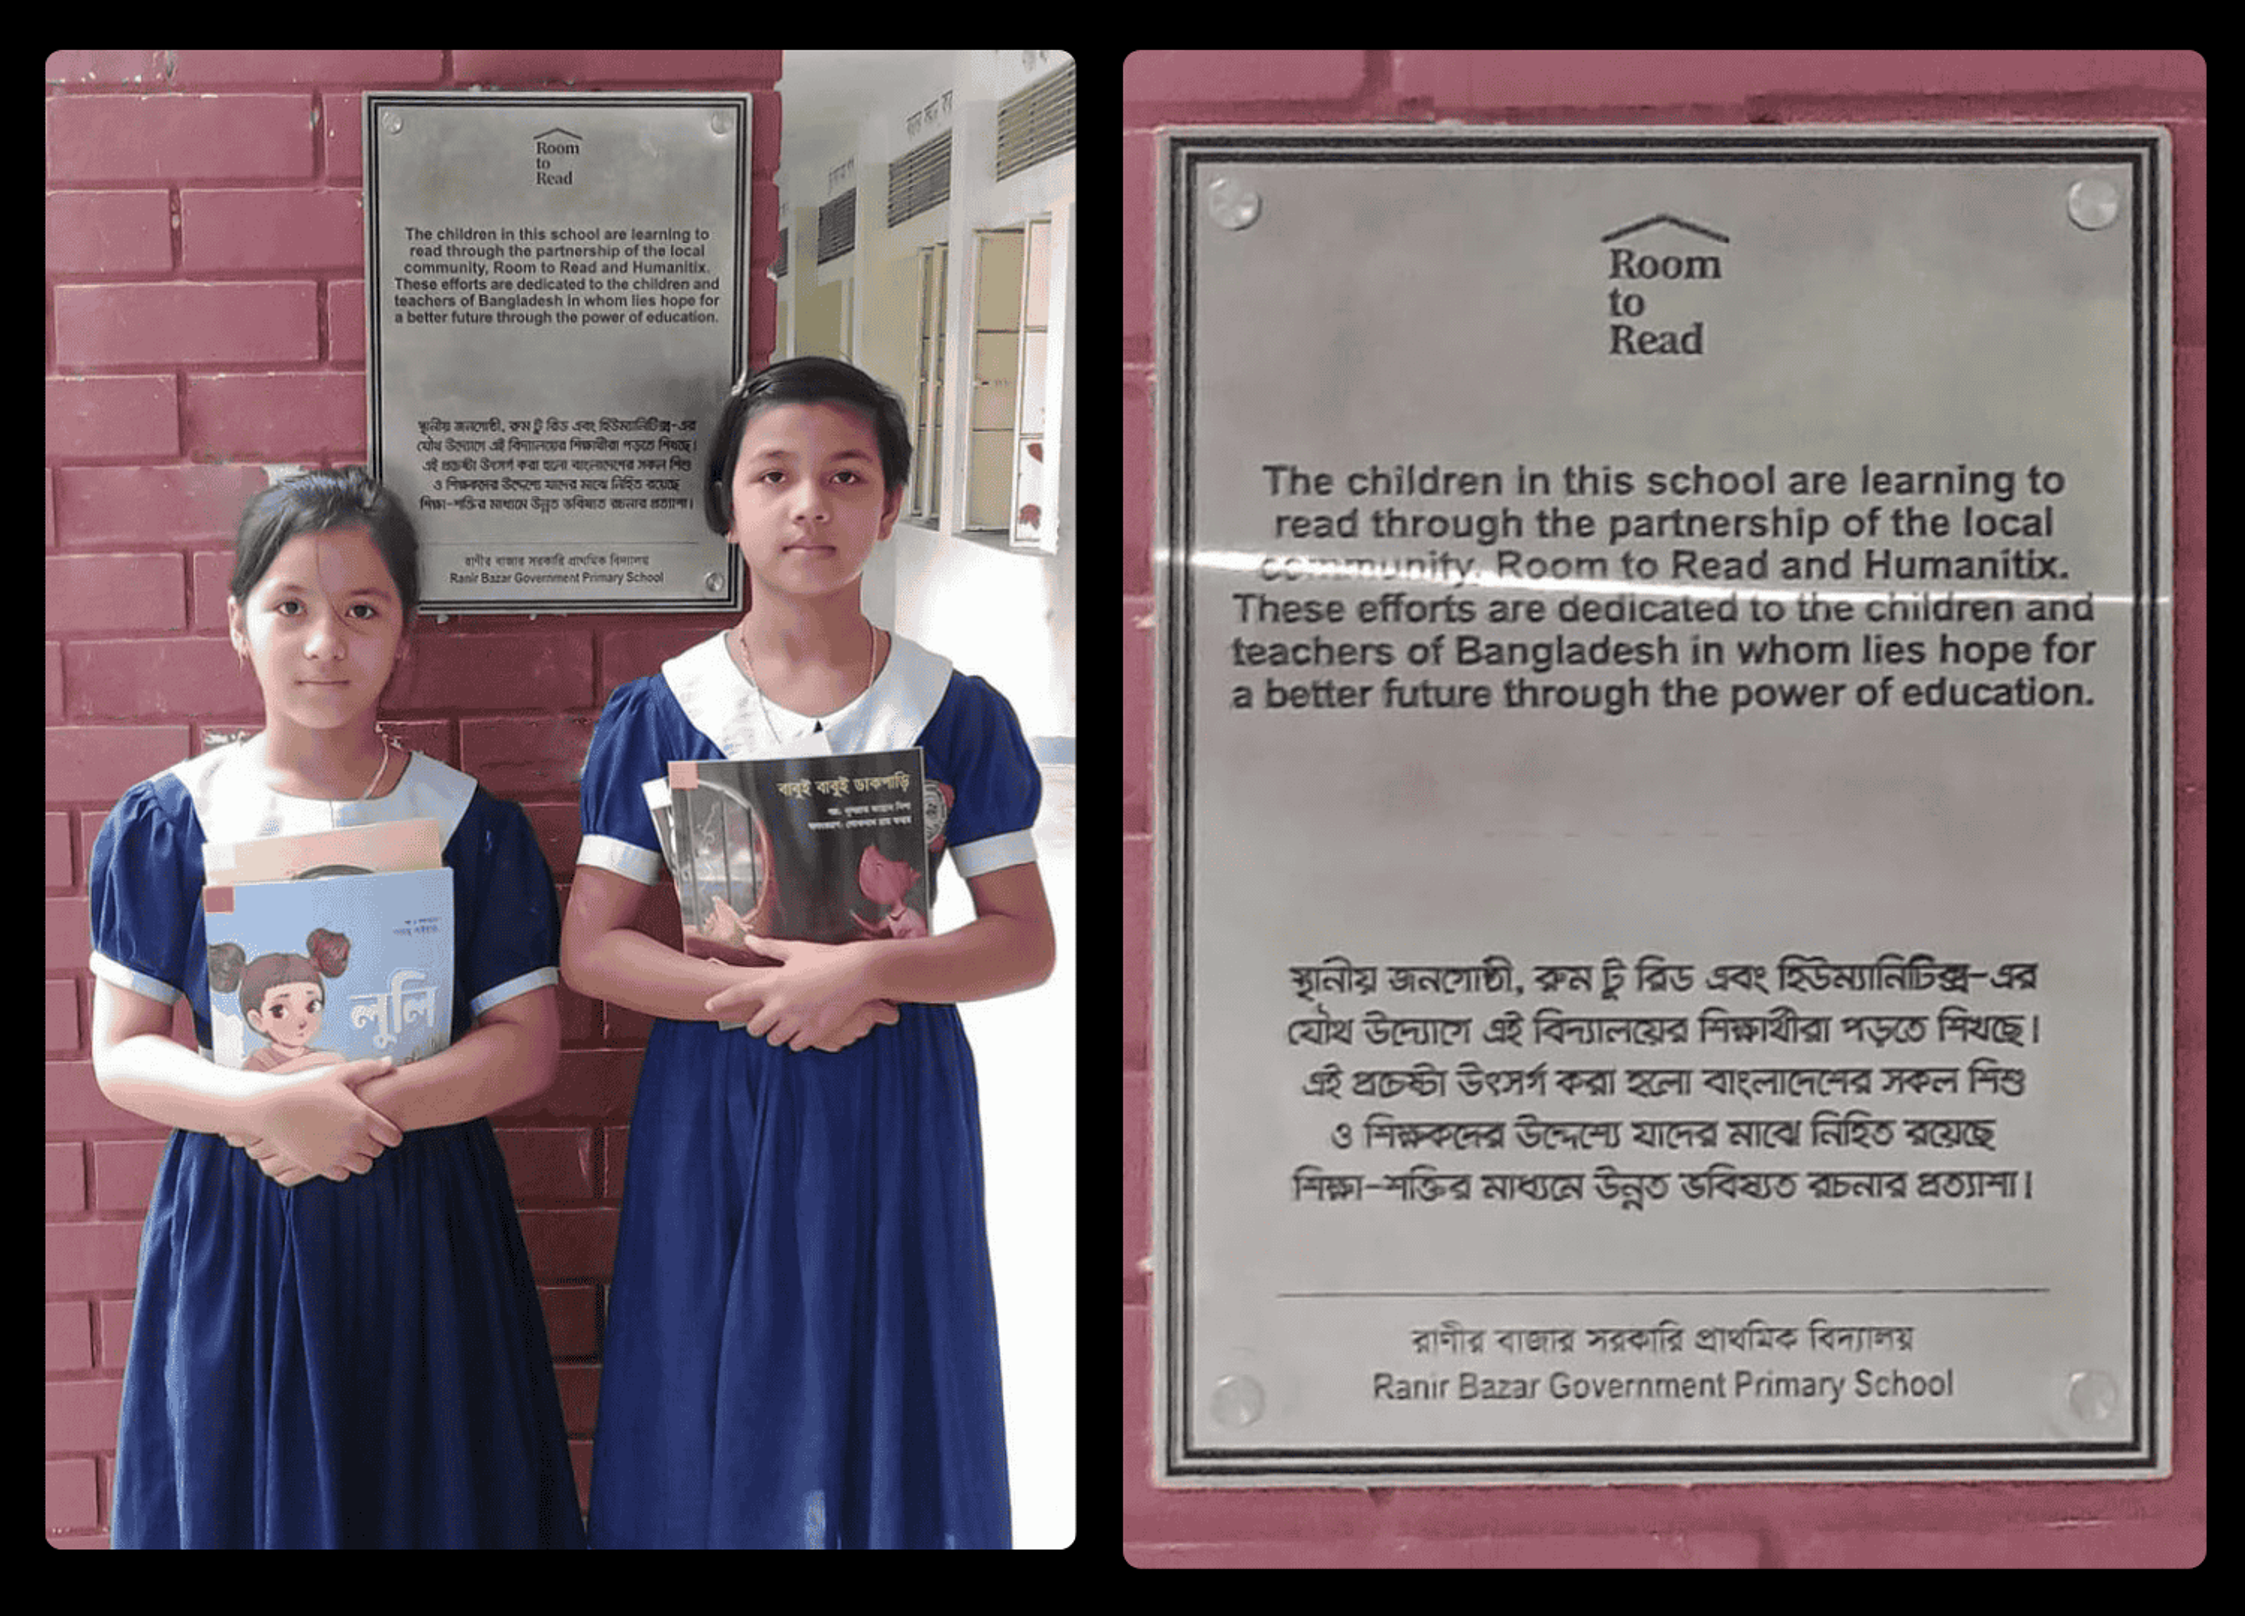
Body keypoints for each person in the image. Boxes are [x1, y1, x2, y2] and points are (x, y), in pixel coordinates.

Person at [565, 357, 1053, 1549]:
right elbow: (591, 949)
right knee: (715, 1357)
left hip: (893, 1088)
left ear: (890, 508)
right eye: (773, 475)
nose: (809, 507)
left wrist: (867, 969)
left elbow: (1022, 941)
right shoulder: (662, 711)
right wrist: (765, 996)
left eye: (847, 477)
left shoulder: (954, 712)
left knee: (888, 1349)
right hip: (720, 1093)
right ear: (726, 504)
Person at [87, 469, 584, 1549]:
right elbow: (122, 1055)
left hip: (421, 1205)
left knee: (428, 1482)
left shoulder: (468, 825)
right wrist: (267, 1109)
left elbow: (527, 1045)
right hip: (243, 1204)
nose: (326, 642)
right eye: (291, 607)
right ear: (236, 623)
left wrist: (356, 1110)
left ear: (404, 631)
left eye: (363, 609)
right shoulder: (171, 821)